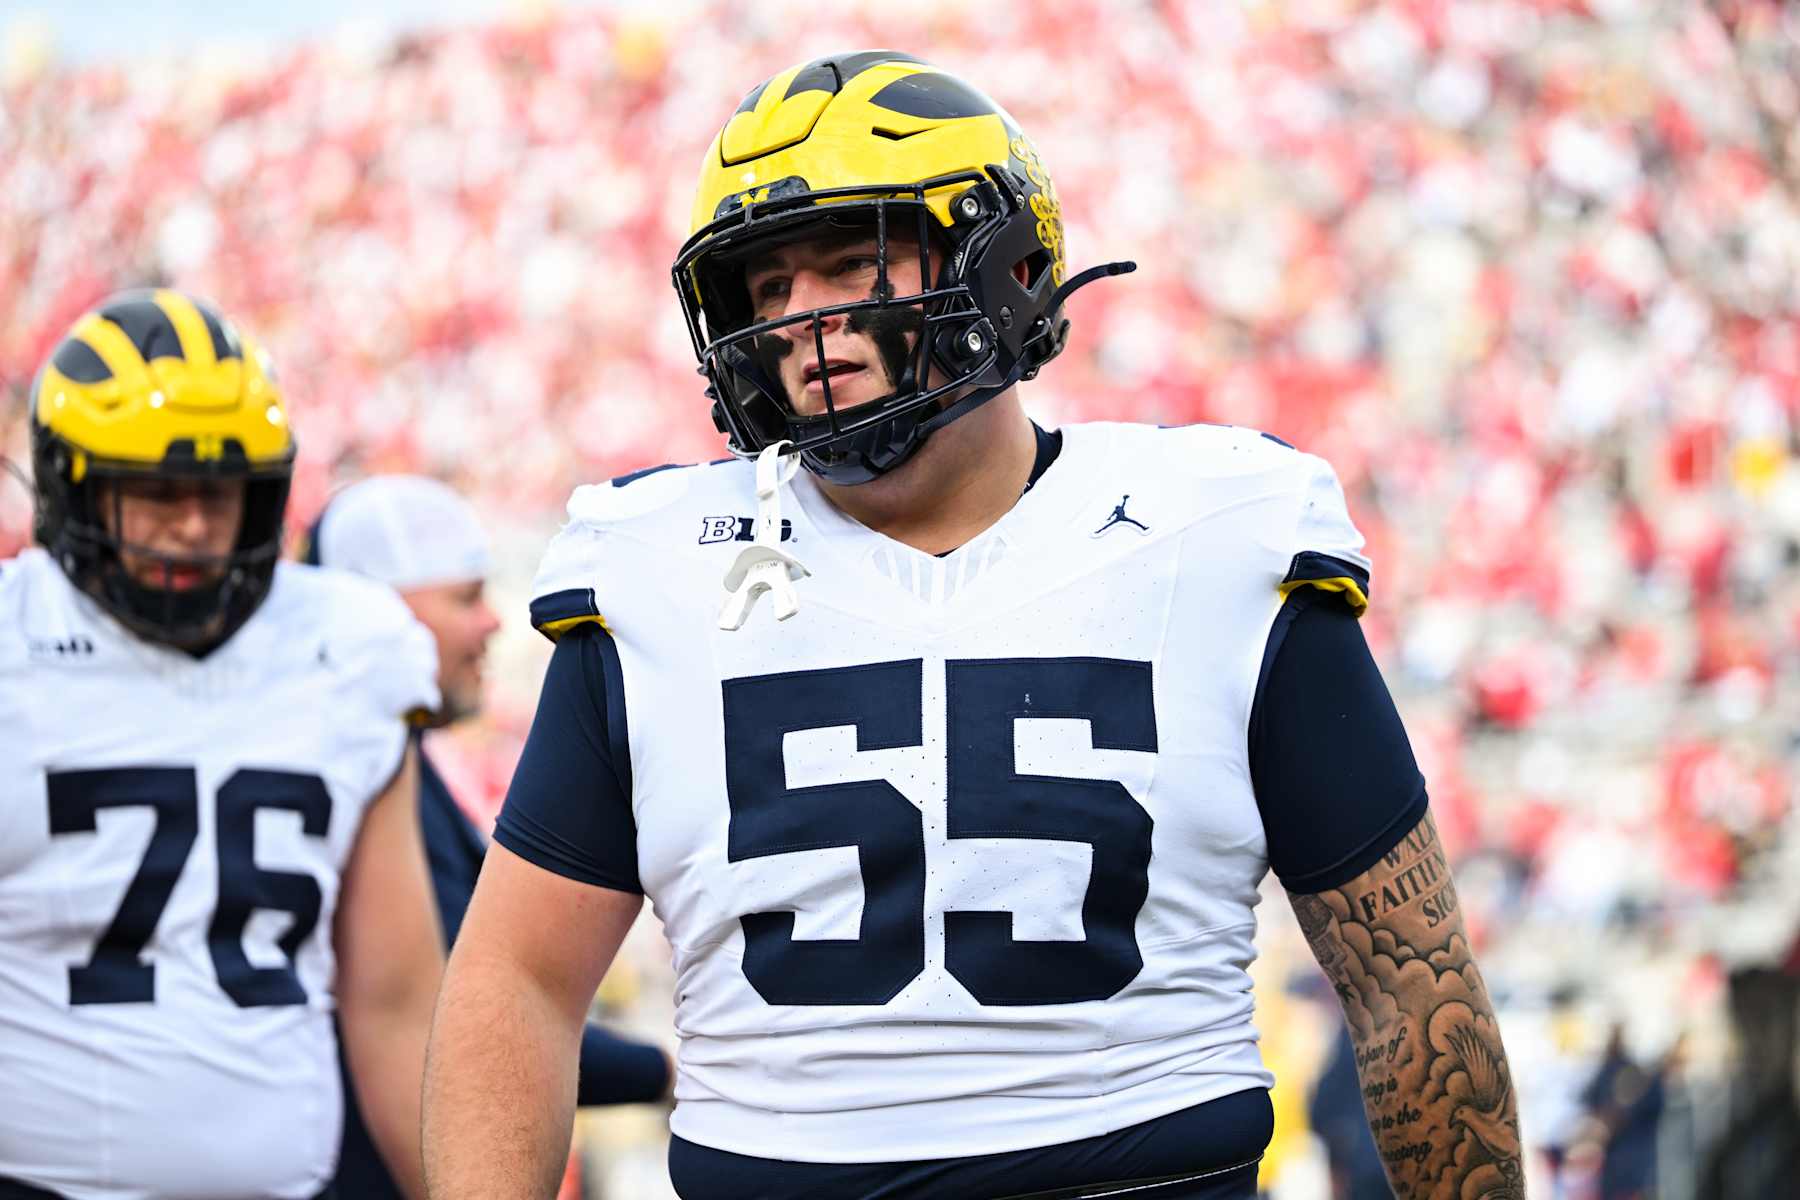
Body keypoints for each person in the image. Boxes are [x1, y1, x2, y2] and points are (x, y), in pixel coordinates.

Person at [423, 52, 1524, 1200]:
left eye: (854, 262)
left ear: (1005, 270)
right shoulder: (654, 566)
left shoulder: (1219, 534)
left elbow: (1410, 986)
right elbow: (518, 982)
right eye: (766, 290)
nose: (802, 320)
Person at [0, 290, 445, 1200]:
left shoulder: (348, 646)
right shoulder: (14, 643)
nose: (196, 527)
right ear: (73, 486)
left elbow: (397, 1002)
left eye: (221, 493)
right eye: (157, 492)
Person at [304, 474, 673, 1199]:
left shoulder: (393, 762)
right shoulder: (363, 773)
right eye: (466, 598)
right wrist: (663, 1072)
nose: (493, 624)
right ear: (382, 615)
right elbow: (471, 1028)